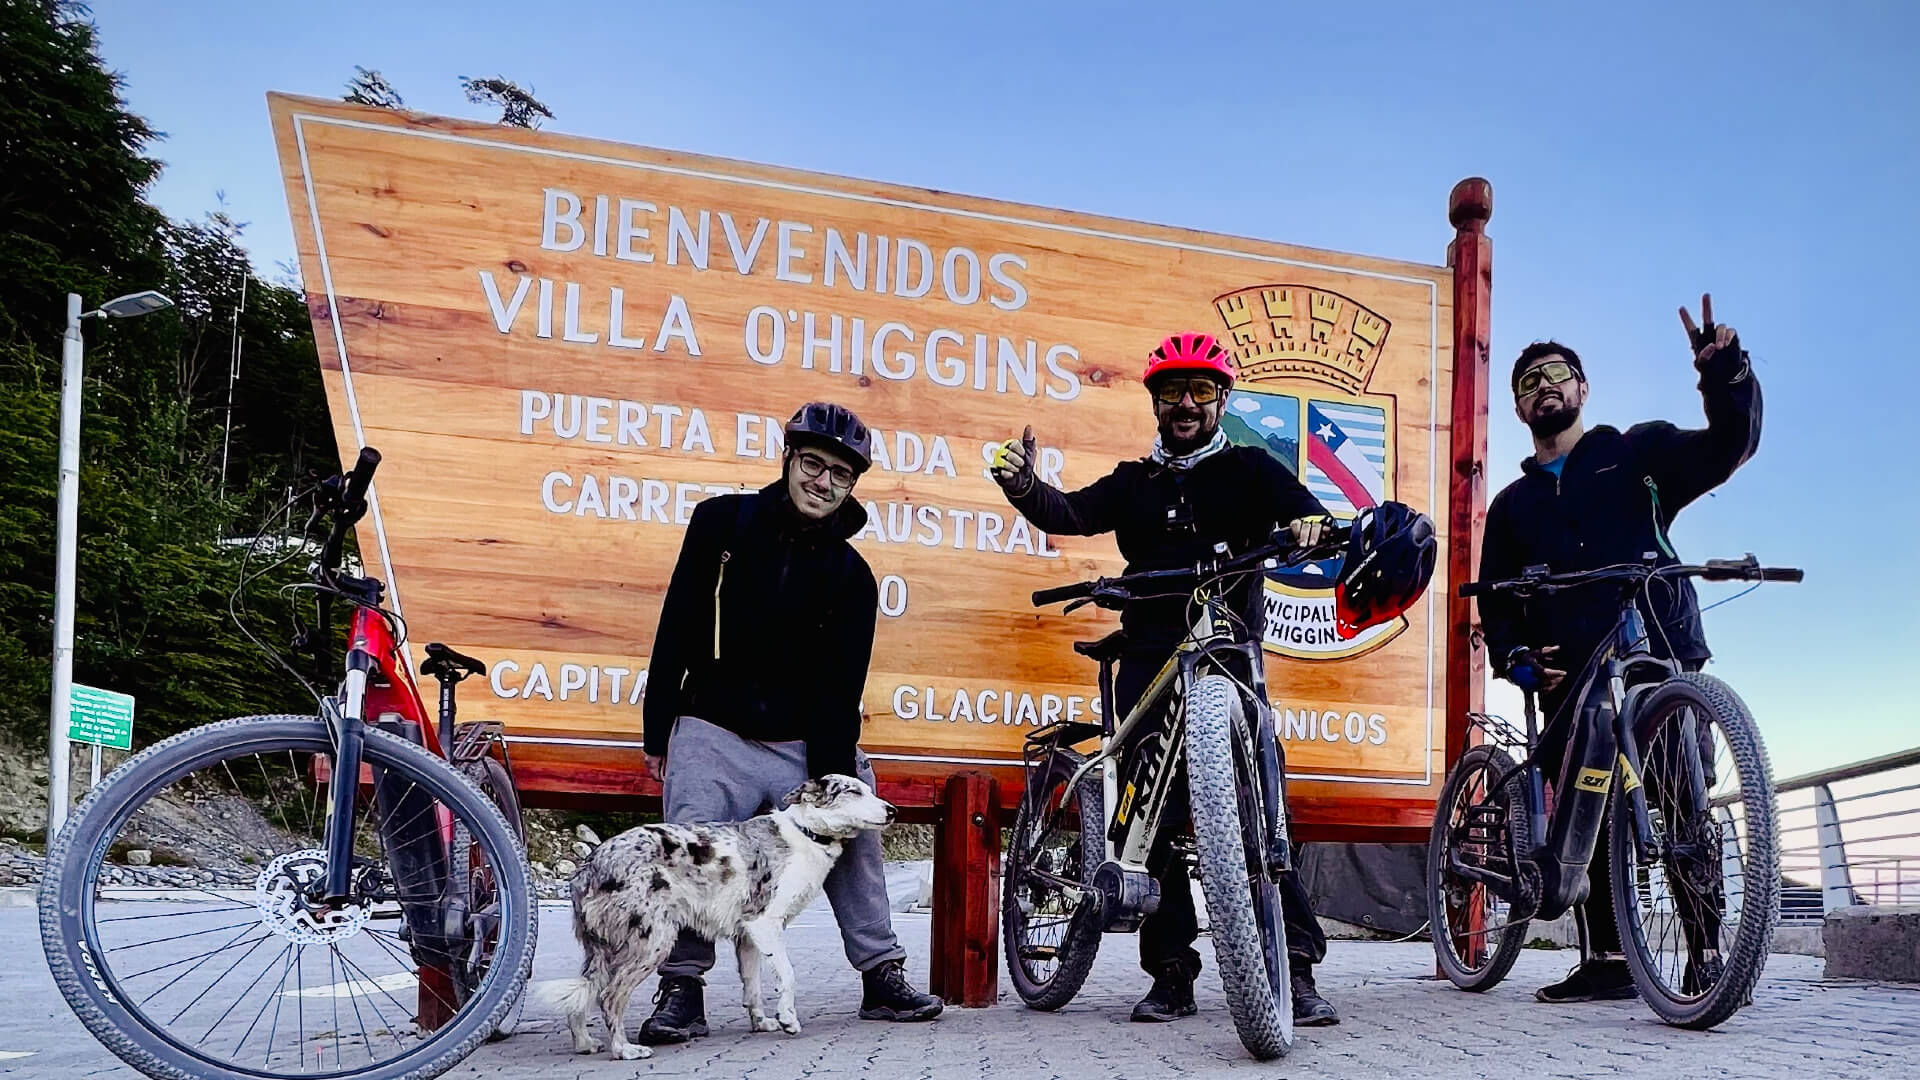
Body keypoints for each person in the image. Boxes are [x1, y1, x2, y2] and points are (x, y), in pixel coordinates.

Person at [990, 331, 1342, 1027]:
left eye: (1201, 392)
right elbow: (1073, 513)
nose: (1186, 404)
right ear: (1154, 401)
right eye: (1172, 392)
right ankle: (1171, 974)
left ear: (1221, 400)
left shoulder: (1250, 469)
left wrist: (1309, 528)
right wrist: (1024, 485)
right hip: (1148, 649)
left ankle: (1292, 969)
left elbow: (1312, 515)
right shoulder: (1134, 481)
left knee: (1254, 810)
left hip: (1227, 648)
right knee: (1149, 818)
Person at [1478, 295, 1763, 1003]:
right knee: (1591, 805)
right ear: (1520, 408)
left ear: (1581, 388)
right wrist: (1512, 654)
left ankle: (1704, 958)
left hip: (1660, 653)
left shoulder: (1637, 453)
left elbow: (1729, 445)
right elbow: (1494, 595)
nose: (1545, 385)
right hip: (1570, 670)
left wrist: (1725, 375)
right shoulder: (1512, 505)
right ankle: (1606, 959)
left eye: (1558, 373)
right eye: (1529, 381)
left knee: (1681, 803)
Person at [638, 401, 943, 1045]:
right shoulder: (720, 523)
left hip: (803, 742)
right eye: (813, 463)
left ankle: (881, 975)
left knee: (858, 816)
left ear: (851, 485)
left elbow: (841, 690)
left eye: (840, 473)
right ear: (789, 460)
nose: (822, 482)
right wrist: (658, 723)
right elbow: (679, 623)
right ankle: (682, 987)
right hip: (714, 725)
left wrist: (832, 779)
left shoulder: (853, 577)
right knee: (692, 833)